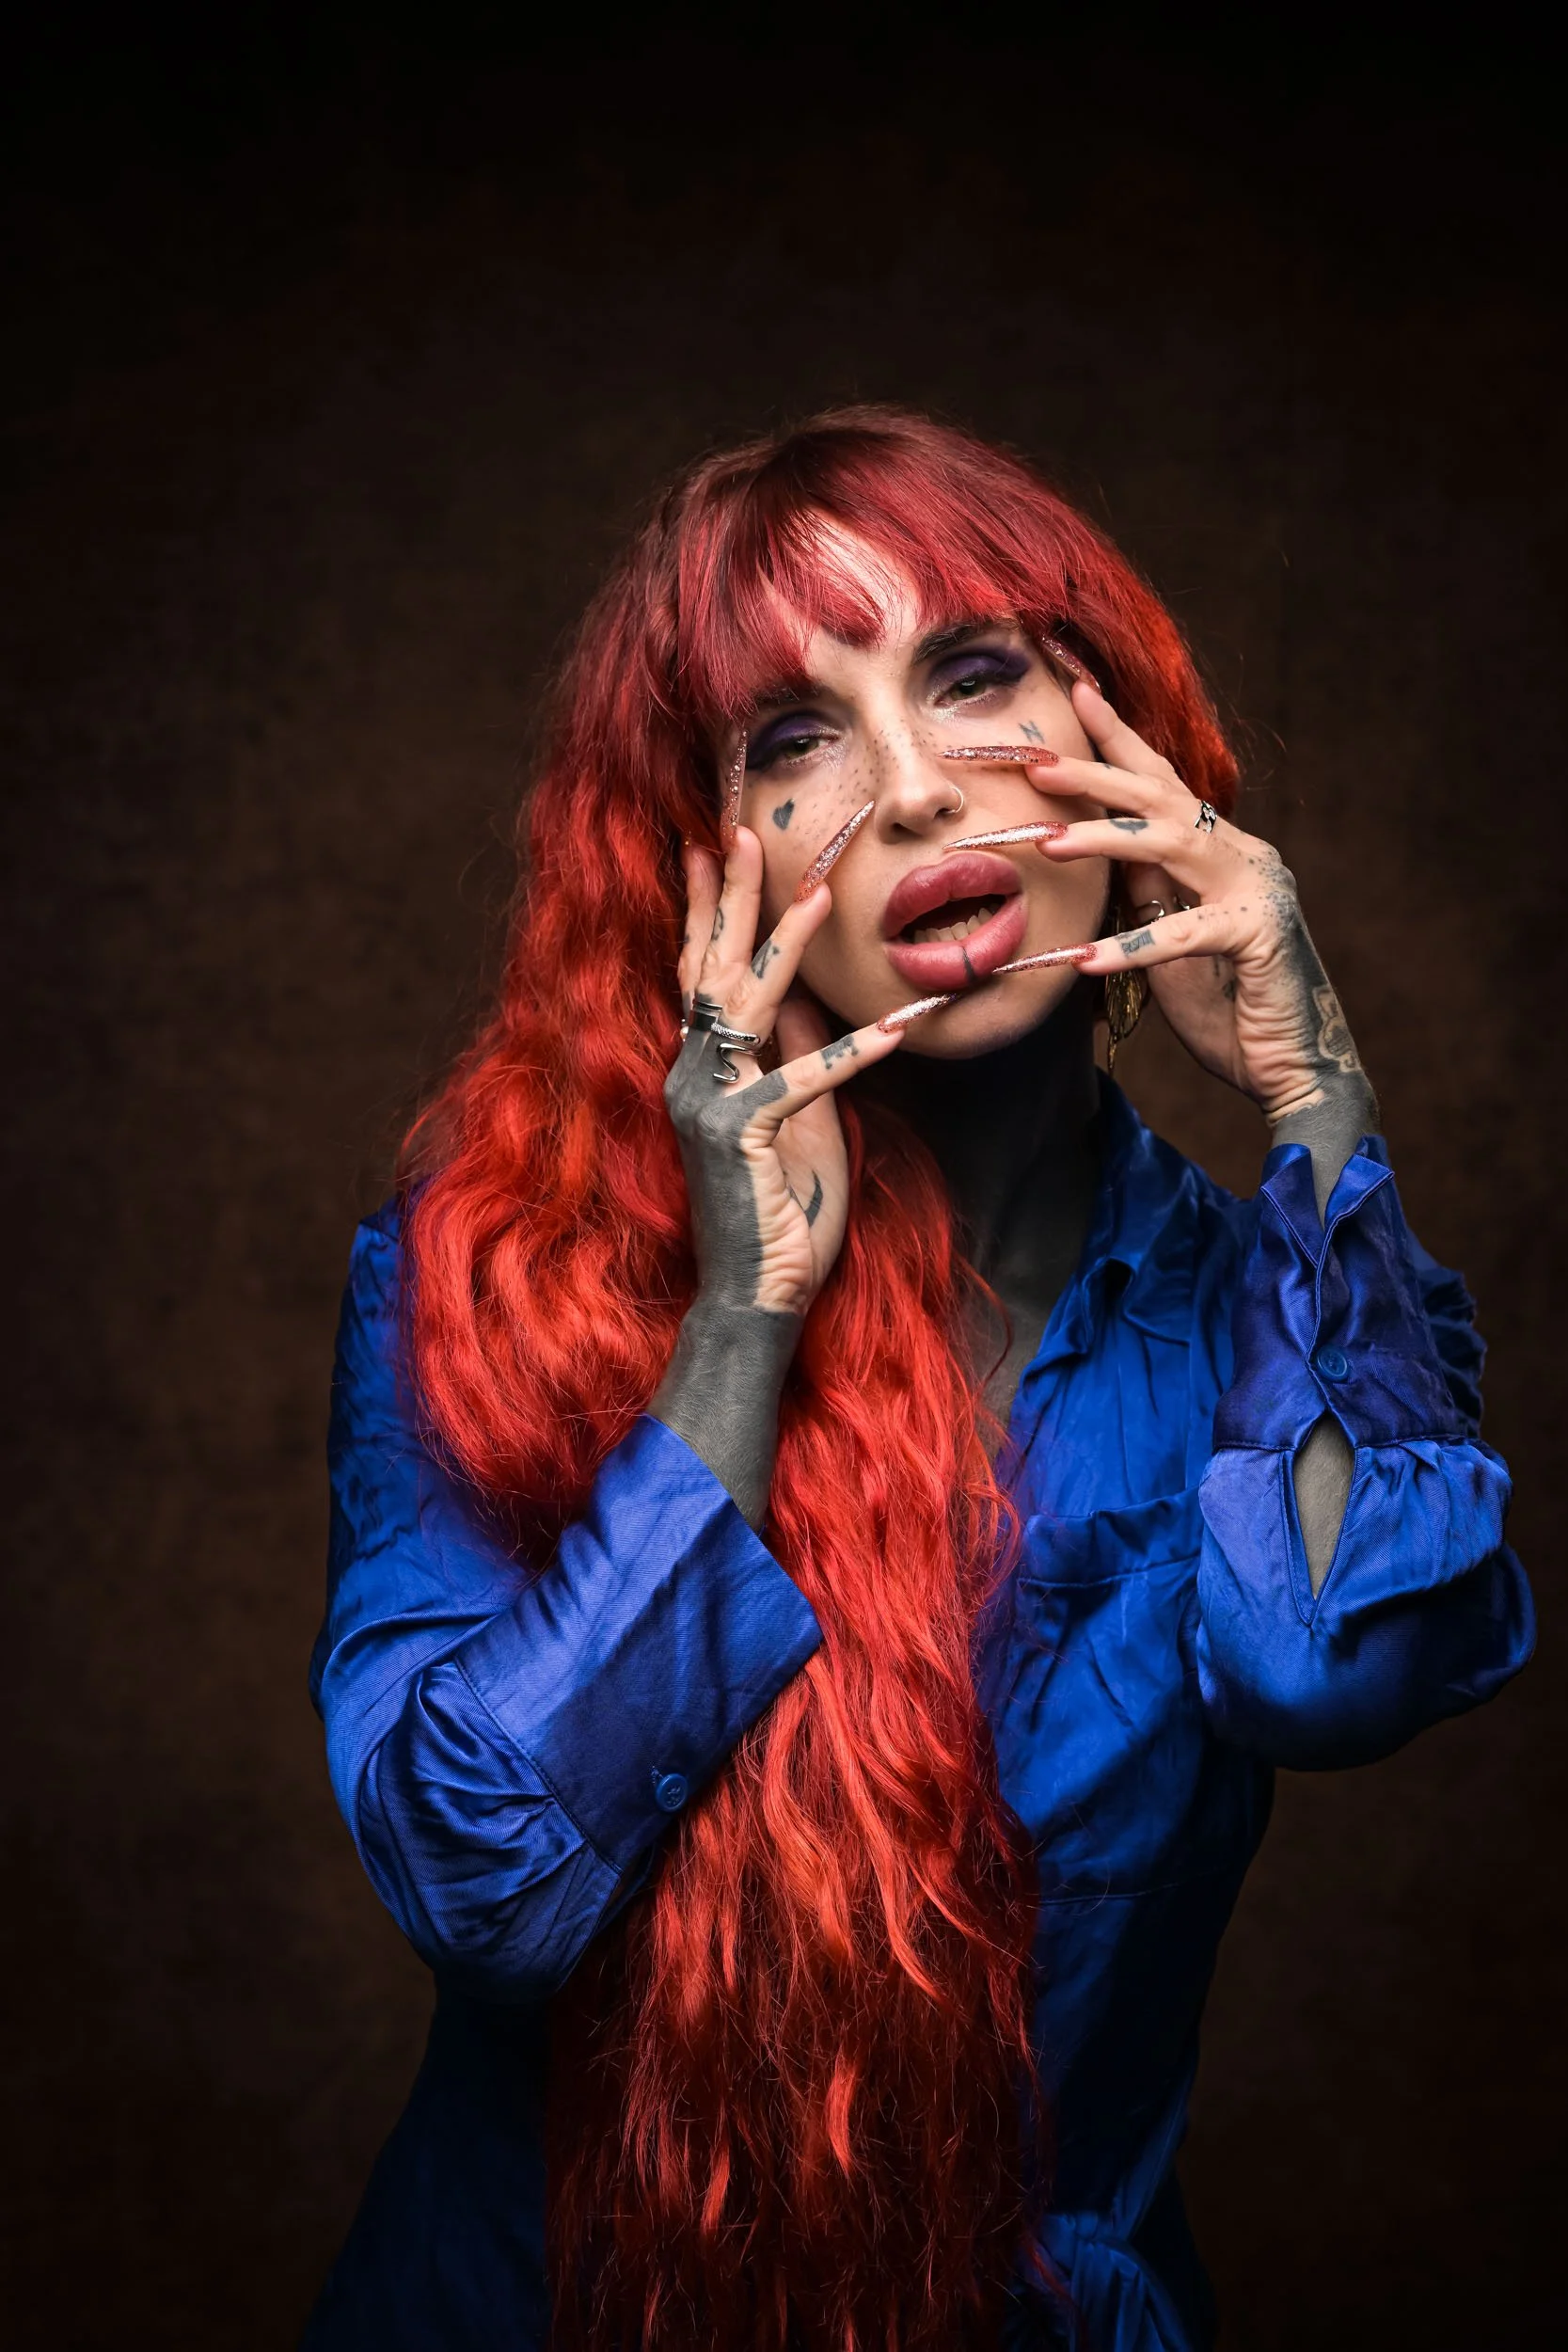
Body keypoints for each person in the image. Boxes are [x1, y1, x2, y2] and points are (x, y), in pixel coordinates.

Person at [302, 409, 1532, 2352]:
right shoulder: (490, 1272)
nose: (907, 791)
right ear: (703, 864)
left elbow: (1326, 1666)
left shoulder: (1249, 1298)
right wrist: (739, 1319)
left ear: (1117, 735)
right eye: (791, 738)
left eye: (970, 678)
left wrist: (1316, 1099)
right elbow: (480, 1878)